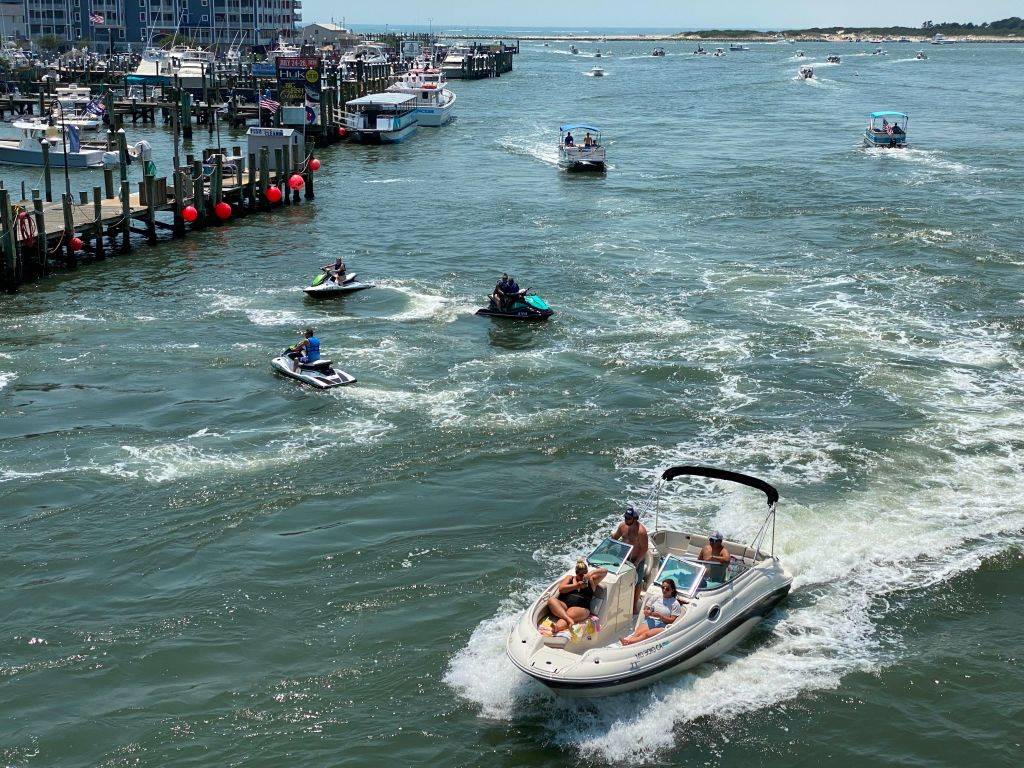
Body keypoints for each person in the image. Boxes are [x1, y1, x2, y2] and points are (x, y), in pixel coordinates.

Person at [547, 559, 608, 633]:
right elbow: (561, 589)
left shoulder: (591, 581)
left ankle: (557, 627)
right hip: (564, 605)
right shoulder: (570, 578)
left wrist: (590, 573)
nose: (583, 576)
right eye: (581, 574)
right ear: (576, 573)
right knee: (551, 600)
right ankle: (568, 619)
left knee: (570, 612)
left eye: (585, 573)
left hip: (581, 607)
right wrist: (577, 585)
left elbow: (605, 571)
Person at [620, 578, 683, 646]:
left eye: (667, 589)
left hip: (663, 625)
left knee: (646, 634)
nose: (664, 590)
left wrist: (660, 616)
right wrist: (648, 612)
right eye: (663, 587)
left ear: (672, 590)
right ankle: (628, 641)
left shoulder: (675, 603)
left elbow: (672, 620)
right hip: (652, 620)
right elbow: (646, 609)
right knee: (637, 633)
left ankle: (628, 642)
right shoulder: (656, 597)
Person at [611, 506, 649, 613]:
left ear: (634, 518)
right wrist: (607, 545)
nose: (626, 520)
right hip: (623, 557)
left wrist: (637, 562)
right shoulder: (622, 526)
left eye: (628, 518)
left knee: (637, 582)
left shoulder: (641, 532)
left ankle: (634, 605)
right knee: (619, 578)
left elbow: (645, 549)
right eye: (625, 517)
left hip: (637, 559)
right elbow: (615, 537)